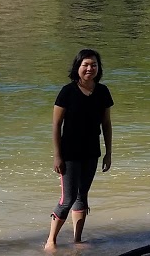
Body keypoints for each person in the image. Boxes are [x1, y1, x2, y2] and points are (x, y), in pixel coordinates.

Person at [44, 48, 114, 251]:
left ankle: (77, 240)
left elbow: (106, 124)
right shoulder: (67, 92)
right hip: (69, 154)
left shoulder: (102, 91)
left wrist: (108, 152)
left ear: (98, 68)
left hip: (92, 152)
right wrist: (57, 156)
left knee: (82, 196)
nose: (89, 68)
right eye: (85, 65)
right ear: (78, 67)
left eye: (93, 65)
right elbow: (56, 125)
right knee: (67, 199)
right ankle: (51, 240)